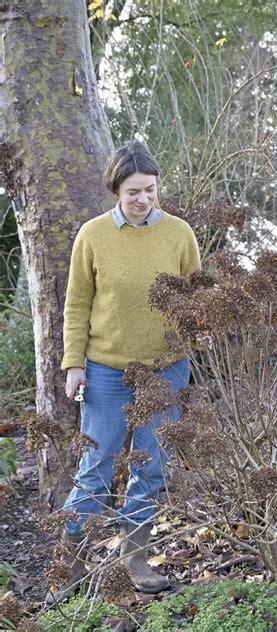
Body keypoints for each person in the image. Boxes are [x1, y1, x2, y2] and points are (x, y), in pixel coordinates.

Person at [47, 141, 200, 603]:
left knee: (151, 464)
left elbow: (195, 295)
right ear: (116, 189)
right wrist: (74, 364)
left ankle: (135, 559)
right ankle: (68, 568)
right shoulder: (93, 236)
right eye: (134, 191)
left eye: (150, 190)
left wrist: (202, 329)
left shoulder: (179, 234)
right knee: (97, 466)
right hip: (107, 370)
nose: (143, 200)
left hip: (166, 367)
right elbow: (77, 304)